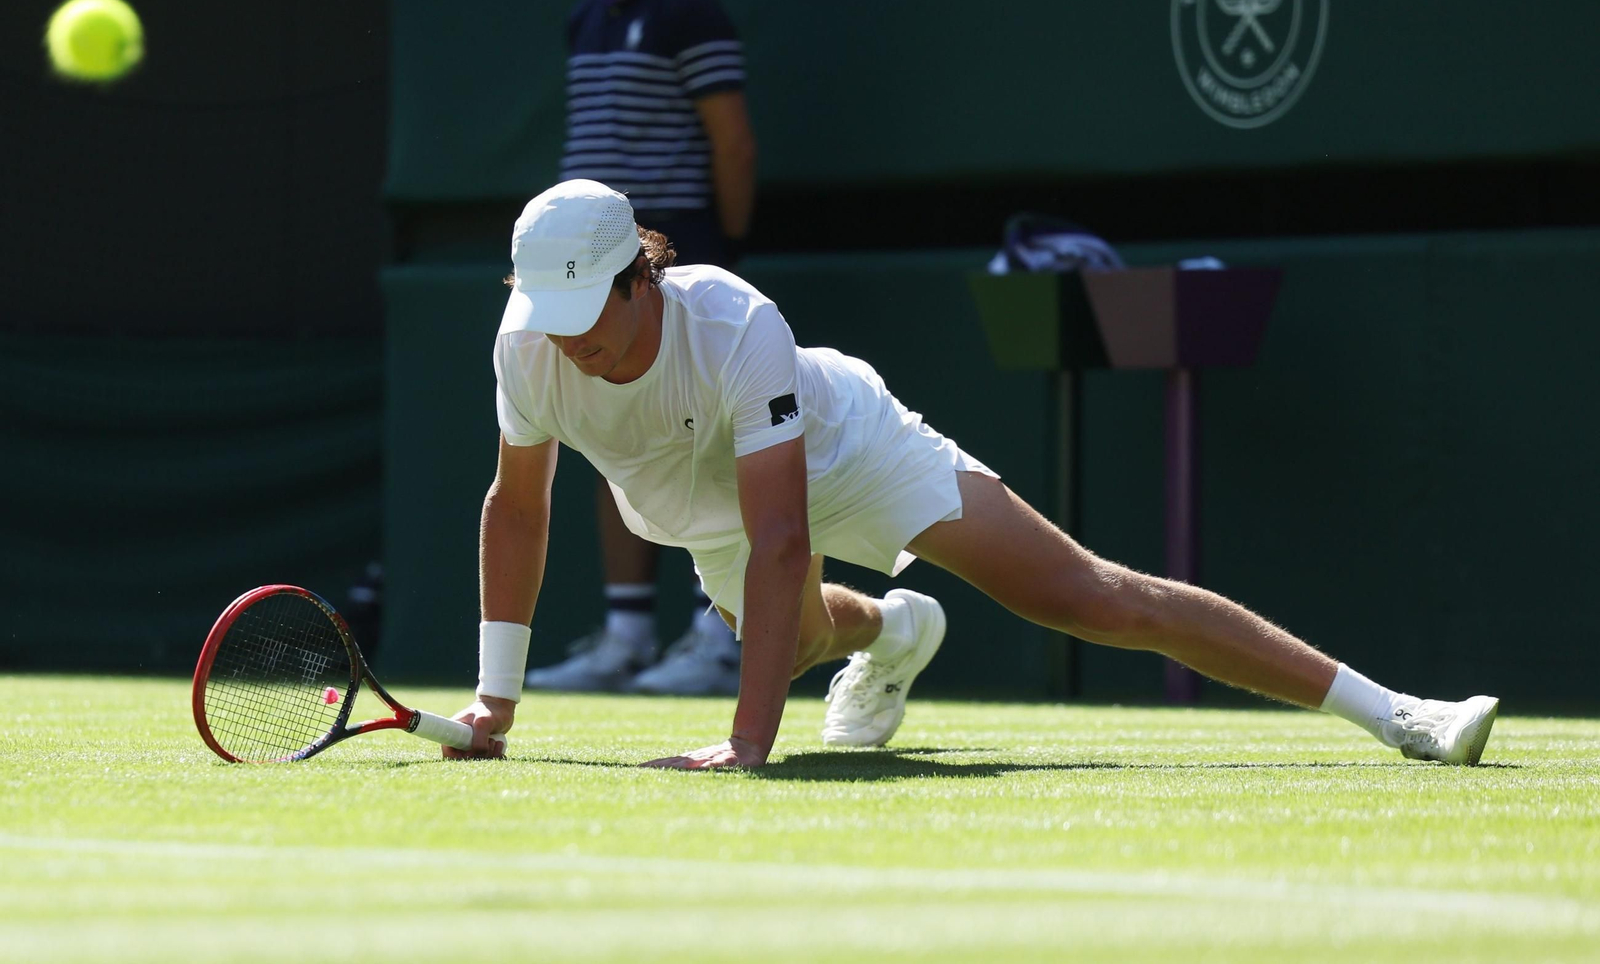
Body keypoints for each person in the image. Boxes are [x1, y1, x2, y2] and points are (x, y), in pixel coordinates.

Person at [448, 180, 1500, 770]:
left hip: (846, 448)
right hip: (699, 511)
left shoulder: (735, 326)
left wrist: (746, 745)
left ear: (643, 276)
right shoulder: (527, 347)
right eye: (552, 311)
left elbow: (783, 535)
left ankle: (1395, 710)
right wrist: (496, 702)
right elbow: (518, 509)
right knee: (804, 633)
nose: (569, 339)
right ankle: (896, 632)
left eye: (588, 307)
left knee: (1082, 594)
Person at [524, 0, 757, 697]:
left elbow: (731, 138)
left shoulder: (688, 6)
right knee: (610, 431)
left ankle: (716, 631)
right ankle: (626, 635)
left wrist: (719, 245)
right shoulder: (586, 18)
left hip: (669, 255)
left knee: (709, 443)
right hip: (588, 264)